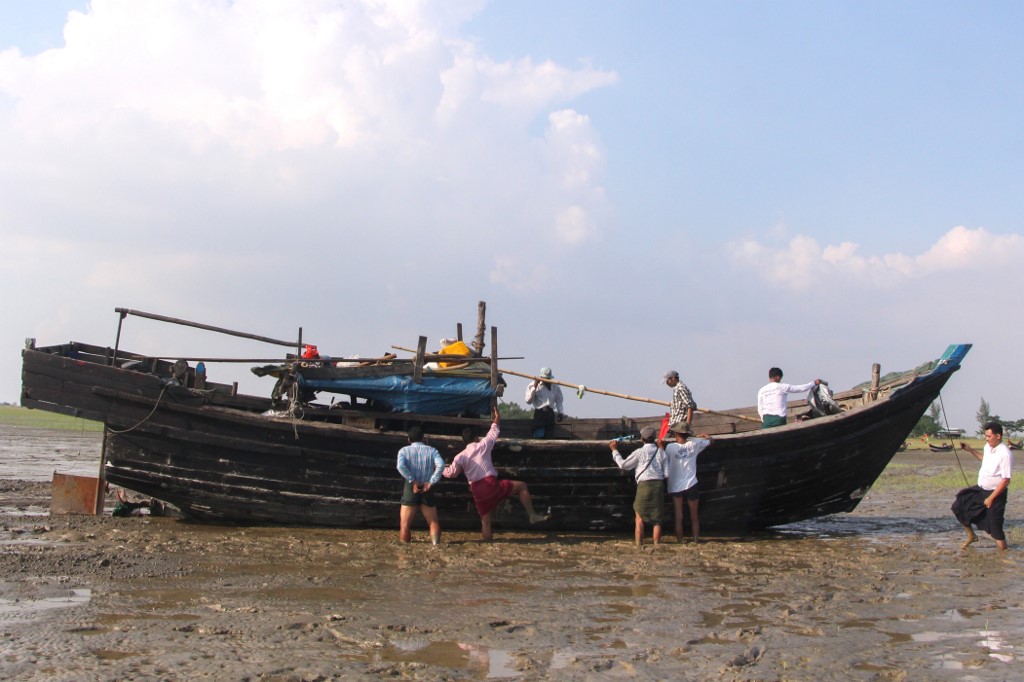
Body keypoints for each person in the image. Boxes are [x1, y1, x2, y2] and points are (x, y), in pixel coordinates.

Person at [443, 406, 549, 541]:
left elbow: (450, 473)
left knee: (485, 522)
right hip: (490, 484)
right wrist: (497, 417)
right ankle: (532, 515)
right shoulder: (483, 445)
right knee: (522, 486)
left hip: (477, 491)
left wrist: (438, 467)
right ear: (476, 438)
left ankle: (488, 545)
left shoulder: (460, 456)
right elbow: (493, 431)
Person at [953, 421, 1012, 550]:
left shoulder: (1005, 454)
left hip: (996, 494)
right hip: (980, 489)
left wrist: (991, 498)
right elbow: (984, 459)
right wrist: (970, 450)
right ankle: (971, 536)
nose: (987, 438)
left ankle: (1003, 555)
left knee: (996, 529)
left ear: (998, 436)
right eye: (986, 436)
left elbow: (1006, 480)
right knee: (959, 505)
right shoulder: (987, 447)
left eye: (989, 436)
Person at [609, 426, 669, 546]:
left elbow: (623, 465)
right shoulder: (661, 452)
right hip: (658, 485)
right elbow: (666, 474)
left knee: (639, 518)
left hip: (644, 485)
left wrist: (614, 450)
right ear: (654, 438)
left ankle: (639, 545)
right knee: (657, 521)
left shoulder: (639, 452)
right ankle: (657, 545)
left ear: (642, 439)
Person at [659, 423, 712, 543]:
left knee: (679, 516)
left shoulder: (670, 448)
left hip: (675, 485)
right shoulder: (694, 444)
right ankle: (696, 539)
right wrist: (704, 436)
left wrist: (661, 446)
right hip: (691, 484)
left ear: (676, 434)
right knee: (694, 516)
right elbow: (710, 441)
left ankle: (679, 541)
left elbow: (662, 459)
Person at [396, 426, 445, 545]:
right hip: (427, 486)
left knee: (405, 524)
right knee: (433, 521)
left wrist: (412, 480)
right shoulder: (432, 451)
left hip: (411, 486)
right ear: (423, 438)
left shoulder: (404, 451)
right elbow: (441, 465)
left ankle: (404, 553)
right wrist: (431, 481)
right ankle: (436, 546)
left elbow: (400, 466)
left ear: (409, 439)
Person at [756, 367, 821, 428]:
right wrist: (814, 383)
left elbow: (760, 409)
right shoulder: (782, 387)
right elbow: (801, 388)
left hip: (767, 420)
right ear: (778, 377)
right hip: (779, 419)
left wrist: (763, 420)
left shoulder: (761, 390)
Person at [525, 367, 564, 438]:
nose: (546, 380)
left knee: (549, 437)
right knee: (539, 436)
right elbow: (528, 401)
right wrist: (534, 387)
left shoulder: (555, 386)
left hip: (550, 414)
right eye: (545, 378)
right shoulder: (533, 385)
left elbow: (559, 401)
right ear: (541, 377)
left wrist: (560, 412)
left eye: (548, 379)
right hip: (540, 413)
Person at [661, 370, 697, 438]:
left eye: (667, 381)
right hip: (675, 425)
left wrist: (687, 426)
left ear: (673, 378)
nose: (667, 383)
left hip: (679, 426)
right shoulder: (677, 388)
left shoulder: (680, 388)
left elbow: (690, 407)